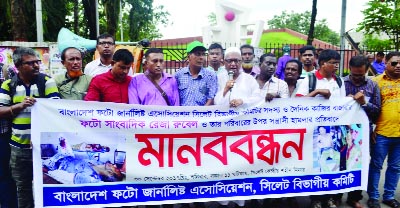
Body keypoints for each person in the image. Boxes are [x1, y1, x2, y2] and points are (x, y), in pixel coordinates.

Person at [0, 47, 60, 208]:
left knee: (48, 184)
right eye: (30, 63)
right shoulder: (8, 85)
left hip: (43, 148)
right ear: (18, 65)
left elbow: (56, 110)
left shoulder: (47, 81)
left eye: (37, 62)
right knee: (23, 187)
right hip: (18, 148)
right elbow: (1, 110)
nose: (36, 65)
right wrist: (19, 106)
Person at [296, 49, 345, 208]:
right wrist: (316, 91)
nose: (336, 66)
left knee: (332, 164)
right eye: (333, 63)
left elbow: (343, 104)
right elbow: (298, 103)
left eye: (337, 63)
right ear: (323, 63)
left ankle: (330, 198)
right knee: (316, 165)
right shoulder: (309, 79)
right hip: (314, 130)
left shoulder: (339, 81)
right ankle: (316, 199)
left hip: (334, 129)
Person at [342, 55, 381, 208]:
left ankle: (354, 197)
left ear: (366, 71)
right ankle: (337, 195)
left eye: (361, 75)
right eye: (354, 74)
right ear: (349, 69)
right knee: (341, 163)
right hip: (343, 131)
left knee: (361, 165)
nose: (357, 78)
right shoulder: (340, 83)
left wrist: (364, 103)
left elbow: (377, 112)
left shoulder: (372, 85)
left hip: (364, 133)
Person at [367, 51, 400, 208]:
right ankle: (373, 196)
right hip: (381, 133)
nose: (398, 66)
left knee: (395, 167)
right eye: (394, 63)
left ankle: (389, 196)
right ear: (385, 63)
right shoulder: (375, 82)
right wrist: (372, 128)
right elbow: (370, 108)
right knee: (376, 165)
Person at [175, 40, 218, 106]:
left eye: (203, 54)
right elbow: (175, 98)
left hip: (202, 114)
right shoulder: (179, 75)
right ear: (188, 56)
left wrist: (200, 114)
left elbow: (211, 98)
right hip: (183, 115)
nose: (201, 57)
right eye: (197, 54)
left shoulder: (210, 75)